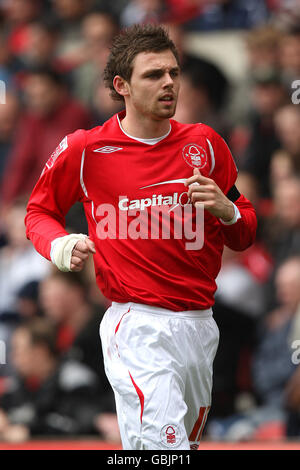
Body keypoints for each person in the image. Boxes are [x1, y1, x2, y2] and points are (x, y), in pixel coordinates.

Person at [25, 24, 257, 450]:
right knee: (166, 450)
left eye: (173, 72)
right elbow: (39, 212)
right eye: (153, 75)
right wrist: (60, 245)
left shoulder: (205, 145)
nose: (168, 82)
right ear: (122, 86)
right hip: (137, 326)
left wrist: (227, 212)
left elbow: (244, 231)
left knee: (157, 451)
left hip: (200, 326)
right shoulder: (85, 150)